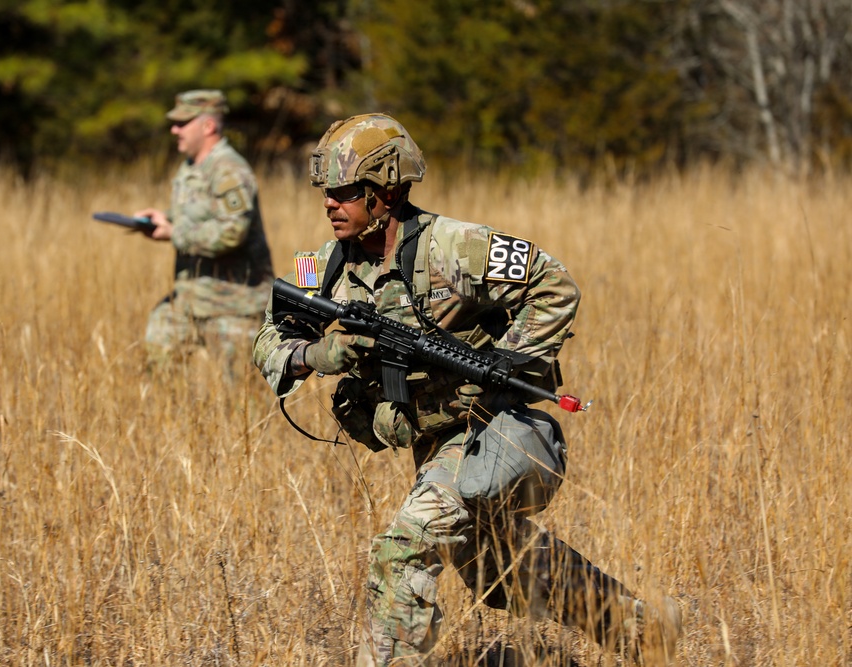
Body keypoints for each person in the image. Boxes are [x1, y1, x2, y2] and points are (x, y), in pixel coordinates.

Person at [252, 114, 682, 666]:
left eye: (344, 192)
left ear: (385, 192)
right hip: (434, 446)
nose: (331, 204)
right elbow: (269, 334)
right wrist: (318, 354)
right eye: (326, 194)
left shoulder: (456, 248)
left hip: (497, 429)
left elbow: (554, 285)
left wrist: (502, 362)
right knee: (493, 564)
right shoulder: (326, 265)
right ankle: (642, 632)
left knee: (400, 551)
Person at [135, 89, 274, 366]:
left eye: (182, 123)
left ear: (208, 126)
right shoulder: (191, 167)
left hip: (234, 304)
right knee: (158, 351)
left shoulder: (229, 170)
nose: (174, 130)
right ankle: (168, 409)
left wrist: (175, 233)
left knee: (240, 399)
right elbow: (197, 214)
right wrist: (163, 219)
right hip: (191, 298)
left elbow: (232, 232)